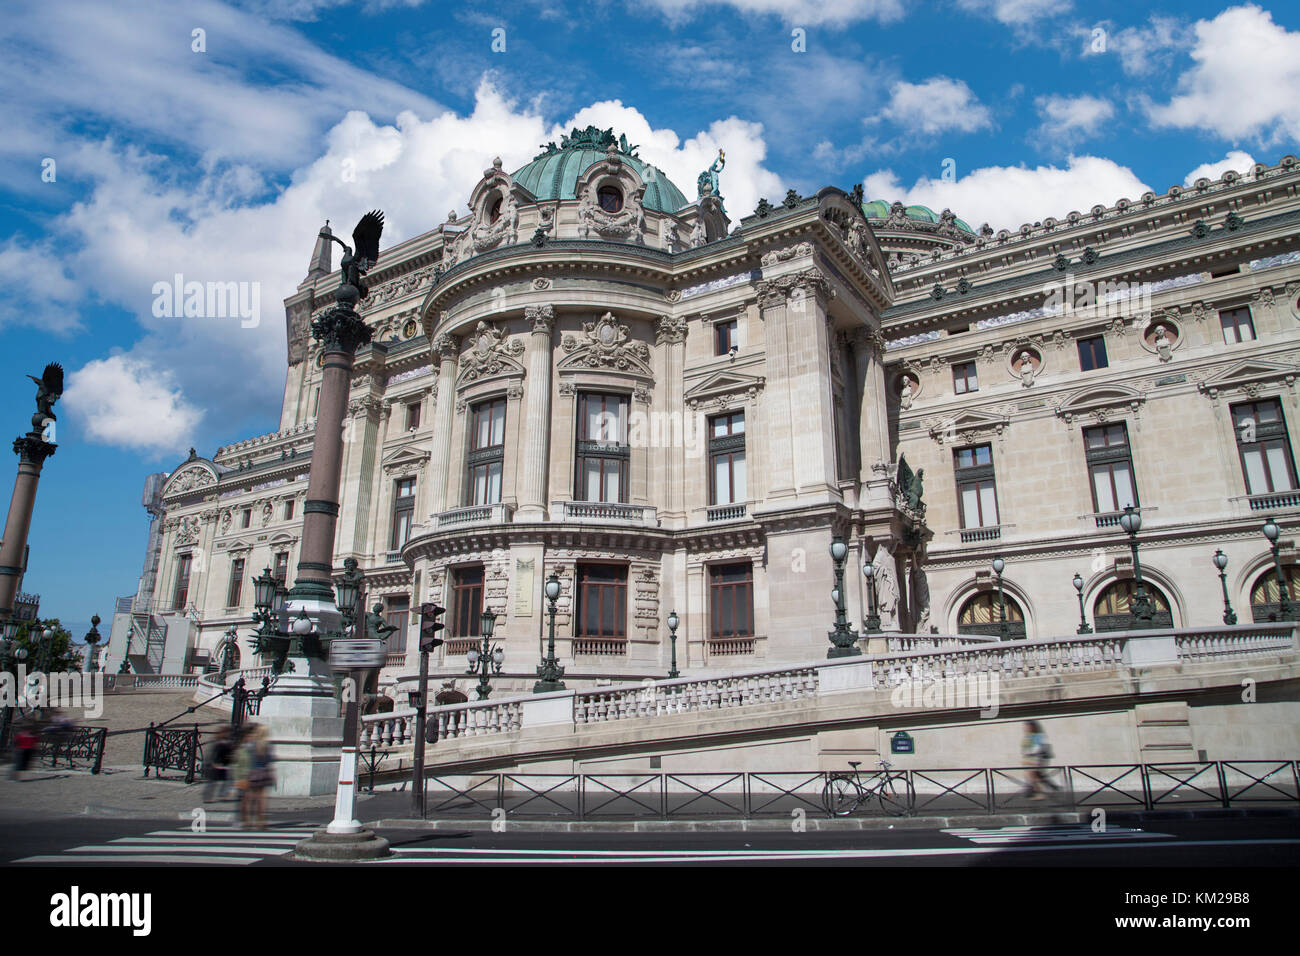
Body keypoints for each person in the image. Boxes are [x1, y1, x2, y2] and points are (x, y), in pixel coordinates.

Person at [234, 725, 275, 829]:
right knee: (262, 799)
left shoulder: (252, 745)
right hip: (264, 772)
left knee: (250, 798)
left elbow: (246, 759)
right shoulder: (268, 745)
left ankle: (247, 821)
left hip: (253, 772)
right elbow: (270, 760)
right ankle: (261, 821)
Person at [1020, 720, 1059, 800]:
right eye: (1025, 727)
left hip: (1037, 758)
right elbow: (1024, 748)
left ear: (1033, 727)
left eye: (1028, 726)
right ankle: (1051, 786)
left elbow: (1039, 748)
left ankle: (1040, 793)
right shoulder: (1027, 737)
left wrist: (1030, 752)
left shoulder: (1038, 736)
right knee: (1035, 775)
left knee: (1032, 774)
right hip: (1028, 758)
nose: (1026, 728)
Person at [203, 726, 235, 803]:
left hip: (225, 764)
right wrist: (213, 763)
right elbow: (213, 754)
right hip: (216, 765)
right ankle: (208, 796)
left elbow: (230, 753)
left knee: (226, 781)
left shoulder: (228, 743)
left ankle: (222, 795)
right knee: (213, 782)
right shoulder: (218, 743)